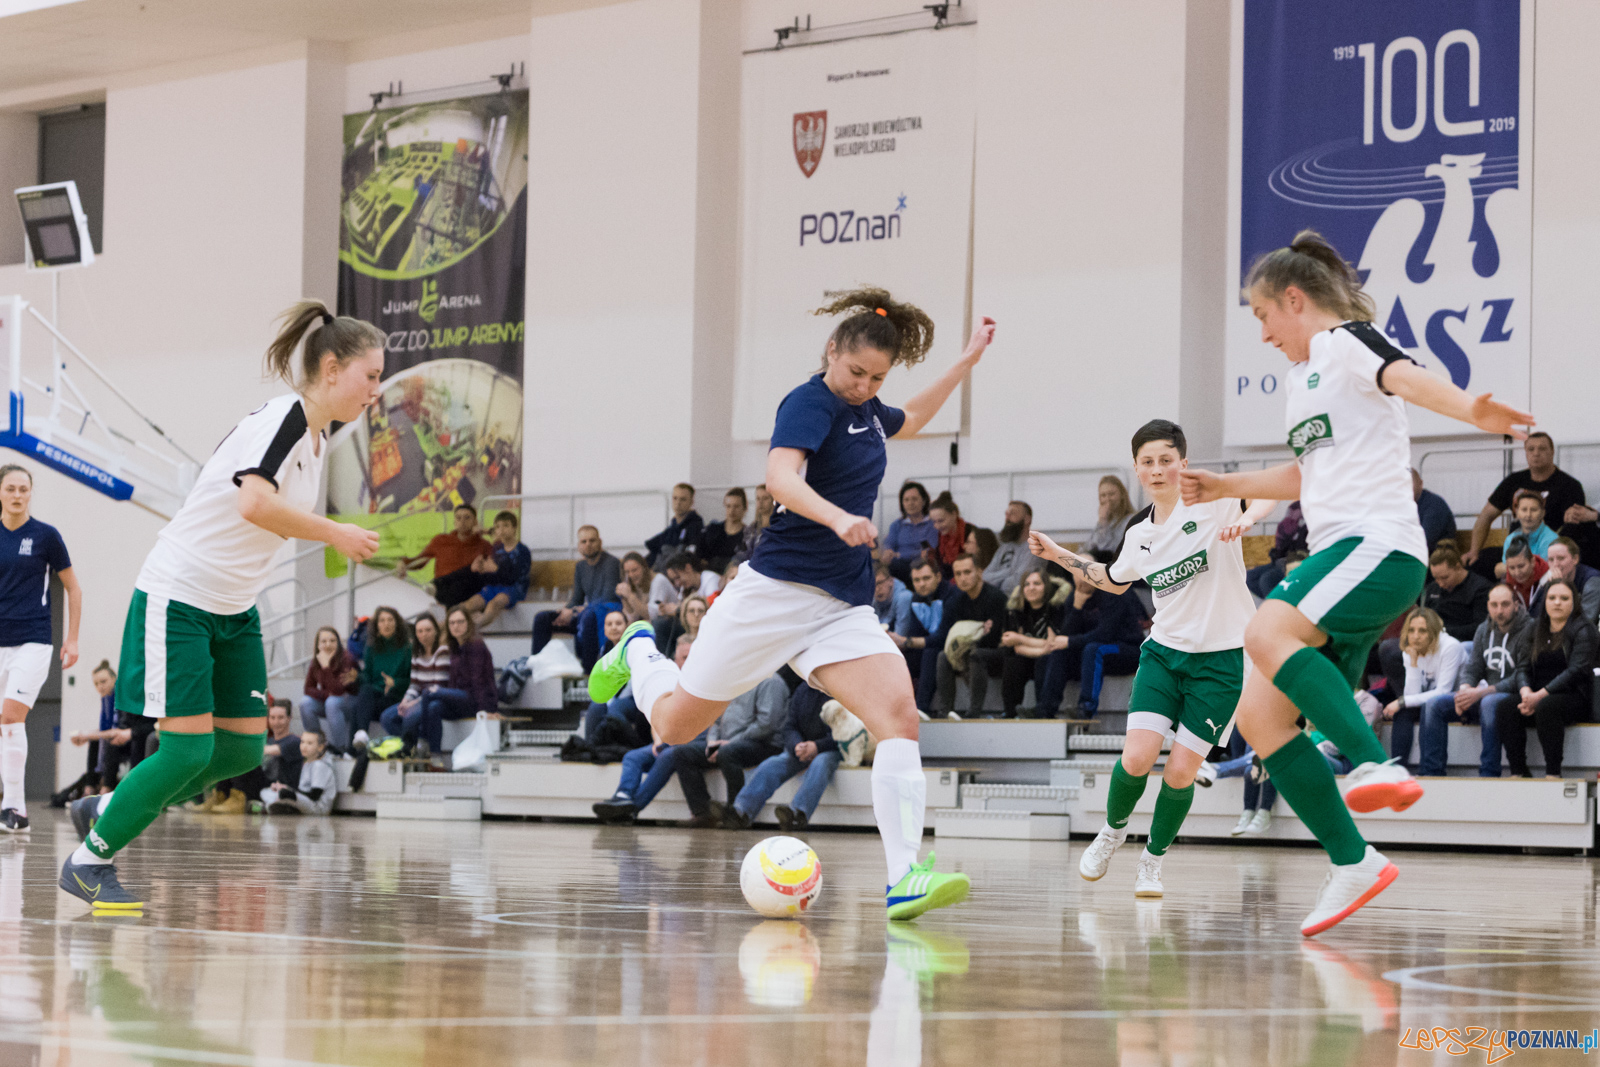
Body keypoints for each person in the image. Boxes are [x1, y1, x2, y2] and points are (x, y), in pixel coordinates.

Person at [585, 286, 995, 920]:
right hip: (773, 596)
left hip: (840, 608)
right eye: (856, 372)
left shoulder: (867, 411)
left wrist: (965, 361)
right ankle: (639, 649)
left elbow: (912, 417)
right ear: (831, 351)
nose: (864, 386)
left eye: (877, 378)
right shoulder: (809, 402)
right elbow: (780, 478)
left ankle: (904, 878)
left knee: (899, 719)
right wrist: (837, 517)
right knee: (674, 727)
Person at [1178, 229, 1533, 936]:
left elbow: (1404, 375)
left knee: (1264, 630)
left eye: (1263, 316)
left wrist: (1472, 410)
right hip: (1343, 556)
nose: (1263, 333)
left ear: (1294, 298)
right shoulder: (1302, 378)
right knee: (1260, 716)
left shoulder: (1347, 342)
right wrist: (1225, 484)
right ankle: (1353, 860)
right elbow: (1308, 473)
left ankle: (1375, 764)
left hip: (1378, 547)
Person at [58, 302, 383, 908]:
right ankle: (88, 862)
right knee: (187, 750)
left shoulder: (317, 438)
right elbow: (253, 503)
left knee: (238, 748)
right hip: (181, 596)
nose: (376, 389)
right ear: (332, 369)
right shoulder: (284, 419)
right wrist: (334, 532)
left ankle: (109, 807)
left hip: (235, 608)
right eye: (370, 375)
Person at [1031, 419, 1272, 896]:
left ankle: (1152, 861)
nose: (1157, 469)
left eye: (1166, 460)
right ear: (1137, 469)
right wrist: (1059, 555)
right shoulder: (1139, 531)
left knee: (1180, 772)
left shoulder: (1214, 500)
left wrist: (1248, 520)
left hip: (1221, 663)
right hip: (1163, 655)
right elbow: (1113, 579)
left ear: (1183, 463)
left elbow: (1267, 492)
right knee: (1138, 757)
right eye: (1148, 462)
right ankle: (1112, 831)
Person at [0, 464, 81, 832]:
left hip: (32, 641)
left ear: (31, 493)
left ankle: (15, 809)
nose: (18, 495)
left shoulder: (46, 536)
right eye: (11, 488)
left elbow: (74, 589)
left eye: (23, 489)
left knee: (11, 718)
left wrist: (72, 639)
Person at [592, 637, 695, 824]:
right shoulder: (666, 678)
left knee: (668, 755)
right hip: (669, 738)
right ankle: (623, 795)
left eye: (691, 658)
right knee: (633, 757)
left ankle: (630, 809)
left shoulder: (698, 684)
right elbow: (657, 715)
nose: (688, 662)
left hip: (695, 739)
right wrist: (658, 741)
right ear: (674, 660)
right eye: (684, 657)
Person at [669, 671, 789, 828]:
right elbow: (716, 718)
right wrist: (712, 742)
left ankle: (735, 813)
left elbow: (766, 724)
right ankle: (703, 813)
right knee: (683, 753)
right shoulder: (732, 678)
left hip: (764, 744)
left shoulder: (771, 681)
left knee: (728, 753)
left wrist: (730, 743)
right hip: (726, 743)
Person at [717, 683, 841, 833]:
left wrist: (817, 746)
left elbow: (847, 731)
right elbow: (789, 726)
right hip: (801, 748)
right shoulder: (802, 690)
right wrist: (797, 745)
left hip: (833, 748)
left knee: (821, 763)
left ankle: (797, 814)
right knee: (772, 764)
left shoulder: (840, 690)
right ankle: (741, 812)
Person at [1433, 583, 1529, 778]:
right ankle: (1431, 772)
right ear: (1487, 606)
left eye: (1505, 604)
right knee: (1434, 705)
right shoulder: (1483, 629)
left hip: (1514, 693)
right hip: (1483, 692)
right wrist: (1464, 691)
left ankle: (1489, 773)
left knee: (1488, 702)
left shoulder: (1529, 629)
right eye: (1494, 605)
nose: (1499, 611)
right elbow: (1473, 667)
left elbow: (1523, 674)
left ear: (1516, 605)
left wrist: (1480, 692)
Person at [1503, 579, 1596, 778]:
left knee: (1547, 706)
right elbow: (1522, 667)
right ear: (1545, 602)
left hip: (1573, 696)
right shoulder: (1534, 627)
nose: (1557, 602)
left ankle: (1553, 773)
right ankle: (1518, 772)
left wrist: (1540, 696)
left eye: (1564, 598)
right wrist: (1526, 693)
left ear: (1574, 602)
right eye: (1552, 598)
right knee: (1506, 706)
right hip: (1537, 694)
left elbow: (1576, 671)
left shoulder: (1584, 629)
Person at [1465, 432, 1593, 571]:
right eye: (1531, 449)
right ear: (1526, 453)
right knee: (1475, 563)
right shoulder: (1513, 481)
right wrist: (1474, 551)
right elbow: (1486, 516)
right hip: (1517, 548)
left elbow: (1573, 531)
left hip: (1550, 552)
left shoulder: (1570, 486)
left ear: (1552, 452)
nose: (1536, 453)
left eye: (1542, 448)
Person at [1036, 573, 1147, 716]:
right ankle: (1044, 710)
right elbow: (1066, 635)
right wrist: (1076, 608)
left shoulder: (1113, 593)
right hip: (1095, 653)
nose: (1082, 579)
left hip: (1128, 649)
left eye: (1086, 574)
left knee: (1093, 649)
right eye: (1077, 575)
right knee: (1057, 653)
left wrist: (1070, 641)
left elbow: (1105, 634)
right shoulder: (1074, 597)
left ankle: (1086, 708)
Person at [1381, 607, 1465, 770]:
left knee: (1429, 705)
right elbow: (1412, 695)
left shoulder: (1450, 647)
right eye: (1411, 630)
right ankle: (1398, 769)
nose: (1415, 636)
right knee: (1403, 711)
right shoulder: (1410, 650)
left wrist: (1401, 701)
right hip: (1431, 700)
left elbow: (1443, 692)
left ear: (1433, 632)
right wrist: (1413, 662)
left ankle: (1430, 771)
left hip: (1456, 701)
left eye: (1422, 631)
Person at [531, 525, 621, 671]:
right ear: (579, 546)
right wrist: (565, 612)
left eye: (592, 540)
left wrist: (575, 611)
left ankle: (588, 671)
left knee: (588, 617)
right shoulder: (580, 567)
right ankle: (537, 667)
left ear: (600, 542)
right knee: (542, 618)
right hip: (586, 613)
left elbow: (607, 598)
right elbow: (577, 598)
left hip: (602, 616)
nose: (588, 545)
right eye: (583, 541)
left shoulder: (611, 563)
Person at [410, 606, 497, 756]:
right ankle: (435, 756)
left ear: (468, 623)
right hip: (459, 699)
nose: (456, 626)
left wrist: (484, 710)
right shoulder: (454, 647)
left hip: (473, 699)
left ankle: (422, 739)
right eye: (452, 623)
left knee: (429, 691)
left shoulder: (476, 645)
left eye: (460, 622)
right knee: (434, 707)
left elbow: (478, 682)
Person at [931, 554, 1008, 719]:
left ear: (979, 572)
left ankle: (974, 713)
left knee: (976, 654)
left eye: (967, 572)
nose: (962, 578)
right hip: (969, 652)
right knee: (943, 656)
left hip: (997, 654)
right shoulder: (955, 602)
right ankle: (945, 712)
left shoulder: (996, 598)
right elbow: (948, 637)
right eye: (958, 574)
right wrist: (979, 631)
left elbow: (994, 639)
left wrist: (971, 635)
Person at [199, 698, 302, 815]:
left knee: (244, 756)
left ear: (289, 718)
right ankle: (221, 796)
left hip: (278, 789)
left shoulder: (294, 741)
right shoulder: (268, 740)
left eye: (280, 718)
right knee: (228, 756)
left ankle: (237, 799)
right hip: (260, 785)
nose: (276, 722)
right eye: (272, 717)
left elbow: (268, 750)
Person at [998, 569, 1070, 718]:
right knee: (1012, 661)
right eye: (1027, 584)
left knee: (1046, 660)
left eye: (1037, 583)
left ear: (1046, 587)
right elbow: (1014, 646)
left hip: (1050, 660)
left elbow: (1053, 644)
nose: (1031, 588)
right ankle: (1010, 712)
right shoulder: (1015, 609)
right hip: (1025, 658)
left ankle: (1042, 713)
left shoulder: (1056, 607)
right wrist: (1041, 648)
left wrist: (1021, 638)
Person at [395, 505, 491, 608]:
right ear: (454, 522)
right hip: (443, 591)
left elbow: (498, 565)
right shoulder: (441, 540)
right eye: (458, 518)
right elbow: (420, 561)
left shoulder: (484, 545)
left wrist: (487, 531)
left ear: (475, 522)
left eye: (467, 518)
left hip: (468, 593)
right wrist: (403, 563)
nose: (462, 522)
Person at [379, 612, 448, 755]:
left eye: (428, 630)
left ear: (436, 631)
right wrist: (405, 701)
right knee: (386, 717)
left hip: (436, 699)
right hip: (419, 699)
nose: (424, 634)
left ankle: (410, 749)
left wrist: (412, 704)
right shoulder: (416, 653)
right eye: (420, 631)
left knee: (410, 716)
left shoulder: (442, 652)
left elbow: (438, 687)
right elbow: (414, 684)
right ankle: (416, 744)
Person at [350, 606, 410, 752]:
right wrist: (357, 676)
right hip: (375, 695)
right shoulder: (371, 647)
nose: (386, 624)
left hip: (395, 697)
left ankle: (353, 749)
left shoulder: (407, 648)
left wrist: (395, 683)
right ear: (377, 625)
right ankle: (360, 739)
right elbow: (367, 676)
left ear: (397, 623)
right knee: (358, 703)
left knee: (358, 707)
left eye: (390, 620)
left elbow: (411, 679)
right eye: (382, 621)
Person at [460, 511, 532, 629]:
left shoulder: (523, 551)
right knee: (469, 604)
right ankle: (443, 627)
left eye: (506, 526)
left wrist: (497, 569)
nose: (501, 530)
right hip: (495, 587)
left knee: (494, 603)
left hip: (514, 588)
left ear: (514, 528)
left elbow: (514, 578)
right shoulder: (496, 548)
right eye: (498, 527)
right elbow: (491, 577)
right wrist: (481, 570)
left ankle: (473, 627)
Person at [894, 558, 950, 703]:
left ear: (938, 577)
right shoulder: (916, 599)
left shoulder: (951, 595)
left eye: (926, 578)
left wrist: (905, 641)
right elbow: (916, 633)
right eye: (917, 580)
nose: (922, 584)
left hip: (947, 646)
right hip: (929, 646)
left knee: (930, 653)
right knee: (898, 658)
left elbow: (943, 637)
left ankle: (921, 707)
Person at [300, 626, 359, 754]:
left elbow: (338, 690)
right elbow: (308, 688)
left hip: (350, 703)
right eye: (324, 641)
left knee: (332, 702)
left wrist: (326, 667)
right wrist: (326, 694)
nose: (328, 645)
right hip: (331, 702)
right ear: (318, 645)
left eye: (332, 641)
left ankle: (340, 749)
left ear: (338, 643)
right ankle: (316, 743)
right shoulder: (316, 661)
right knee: (305, 703)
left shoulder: (347, 659)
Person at [65, 661, 119, 796]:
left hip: (127, 737)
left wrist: (87, 735)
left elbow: (115, 730)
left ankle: (106, 788)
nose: (100, 686)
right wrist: (86, 736)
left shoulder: (120, 698)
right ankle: (89, 788)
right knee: (94, 741)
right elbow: (104, 730)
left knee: (108, 742)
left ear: (114, 679)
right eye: (96, 684)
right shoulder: (106, 699)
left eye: (103, 681)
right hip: (115, 736)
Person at [1420, 546, 1491, 643]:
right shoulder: (1432, 588)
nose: (1440, 584)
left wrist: (1443, 632)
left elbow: (1480, 627)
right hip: (1433, 640)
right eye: (1436, 578)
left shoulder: (1480, 588)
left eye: (1445, 578)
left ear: (1458, 567)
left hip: (1464, 641)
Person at [264, 730, 338, 816]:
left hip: (318, 806)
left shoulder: (319, 765)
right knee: (267, 792)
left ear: (320, 747)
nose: (304, 746)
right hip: (306, 800)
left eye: (309, 743)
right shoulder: (307, 764)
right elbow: (302, 791)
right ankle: (282, 806)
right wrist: (286, 788)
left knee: (284, 794)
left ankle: (280, 806)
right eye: (302, 742)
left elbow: (315, 795)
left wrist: (291, 793)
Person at [880, 482, 938, 584]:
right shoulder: (896, 525)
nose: (910, 503)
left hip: (921, 566)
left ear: (924, 501)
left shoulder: (931, 524)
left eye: (914, 499)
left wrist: (900, 555)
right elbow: (889, 545)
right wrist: (888, 552)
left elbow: (928, 550)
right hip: (898, 567)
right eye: (906, 500)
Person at [1246, 501, 1307, 598]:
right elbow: (1282, 540)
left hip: (1297, 560)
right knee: (1250, 577)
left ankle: (1281, 603)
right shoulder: (1295, 507)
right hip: (1282, 558)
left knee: (1267, 579)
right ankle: (1276, 601)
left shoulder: (1308, 516)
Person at [1534, 538, 1600, 623]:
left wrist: (1560, 587)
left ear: (1575, 559)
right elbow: (1535, 615)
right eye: (1551, 560)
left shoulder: (1592, 581)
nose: (1555, 564)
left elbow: (1585, 622)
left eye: (1561, 558)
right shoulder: (1550, 579)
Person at [983, 500, 1040, 595]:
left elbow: (1019, 582)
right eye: (1006, 514)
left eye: (1012, 514)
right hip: (997, 597)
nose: (1007, 518)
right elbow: (985, 577)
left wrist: (996, 583)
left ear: (1027, 519)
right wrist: (1009, 572)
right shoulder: (1005, 547)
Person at [644, 483, 704, 567]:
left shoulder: (696, 527)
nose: (678, 503)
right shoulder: (670, 530)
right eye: (675, 498)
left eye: (683, 499)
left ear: (691, 502)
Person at [701, 488, 755, 573]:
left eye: (736, 506)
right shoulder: (712, 529)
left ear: (745, 508)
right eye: (728, 506)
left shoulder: (748, 536)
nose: (732, 511)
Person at [1082, 475, 1136, 558]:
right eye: (1103, 495)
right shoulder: (1104, 521)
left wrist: (1104, 522)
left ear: (1122, 495)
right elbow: (1088, 547)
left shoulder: (1131, 520)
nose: (1107, 499)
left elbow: (1109, 550)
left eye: (1111, 494)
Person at [1411, 469, 1457, 554]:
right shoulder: (1401, 506)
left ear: (1420, 483)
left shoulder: (1434, 505)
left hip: (1436, 557)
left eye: (1409, 483)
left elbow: (1424, 542)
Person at [1500, 536, 1549, 611]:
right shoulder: (1506, 583)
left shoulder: (1548, 580)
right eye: (1512, 568)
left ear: (1532, 562)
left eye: (1521, 566)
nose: (1517, 573)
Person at [927, 493, 968, 577]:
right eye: (934, 522)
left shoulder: (969, 535)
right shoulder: (939, 536)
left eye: (941, 521)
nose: (937, 526)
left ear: (954, 514)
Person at [656, 594, 707, 660]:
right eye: (691, 611)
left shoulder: (710, 639)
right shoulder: (681, 640)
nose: (696, 614)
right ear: (685, 615)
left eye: (700, 611)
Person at [873, 563, 913, 634]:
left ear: (891, 581)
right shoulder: (872, 598)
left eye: (880, 583)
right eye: (872, 585)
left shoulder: (903, 597)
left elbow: (901, 635)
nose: (877, 589)